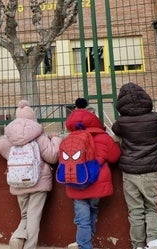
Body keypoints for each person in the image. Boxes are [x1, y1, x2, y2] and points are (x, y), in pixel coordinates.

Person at [0, 100, 62, 249]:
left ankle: (17, 237)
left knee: (25, 215)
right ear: (33, 118)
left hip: (18, 180)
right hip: (38, 180)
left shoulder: (10, 138)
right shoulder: (39, 136)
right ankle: (29, 246)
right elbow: (52, 156)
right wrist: (56, 139)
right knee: (34, 217)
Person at [111, 82, 157, 249]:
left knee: (135, 211)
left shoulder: (122, 122)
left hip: (130, 172)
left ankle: (138, 245)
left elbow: (115, 132)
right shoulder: (154, 118)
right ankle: (154, 241)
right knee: (151, 207)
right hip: (151, 170)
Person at [64, 102, 121, 249]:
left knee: (82, 218)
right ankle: (85, 242)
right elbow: (115, 156)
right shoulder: (103, 137)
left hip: (76, 182)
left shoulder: (70, 138)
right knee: (93, 209)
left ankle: (83, 242)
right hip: (97, 182)